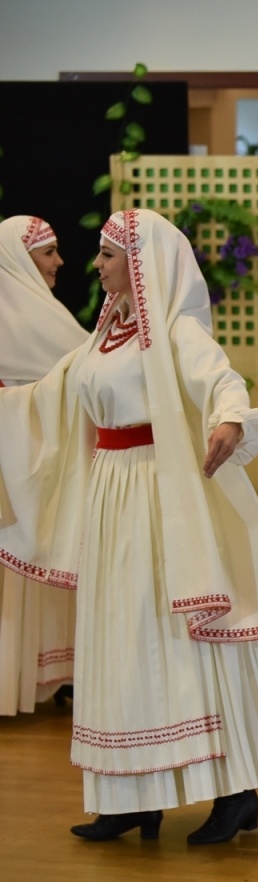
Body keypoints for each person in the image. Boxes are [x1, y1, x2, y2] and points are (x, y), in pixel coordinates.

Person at [0, 209, 258, 843]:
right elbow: (51, 397)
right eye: (97, 254)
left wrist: (230, 421)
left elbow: (224, 381)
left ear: (141, 262)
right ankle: (130, 795)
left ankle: (234, 793)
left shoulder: (175, 329)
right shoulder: (105, 336)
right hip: (112, 493)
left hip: (161, 491)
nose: (95, 265)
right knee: (120, 639)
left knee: (180, 637)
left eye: (107, 254)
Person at [0, 216, 82, 714]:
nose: (59, 262)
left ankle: (44, 674)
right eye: (48, 253)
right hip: (15, 454)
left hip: (35, 451)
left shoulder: (40, 309)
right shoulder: (22, 312)